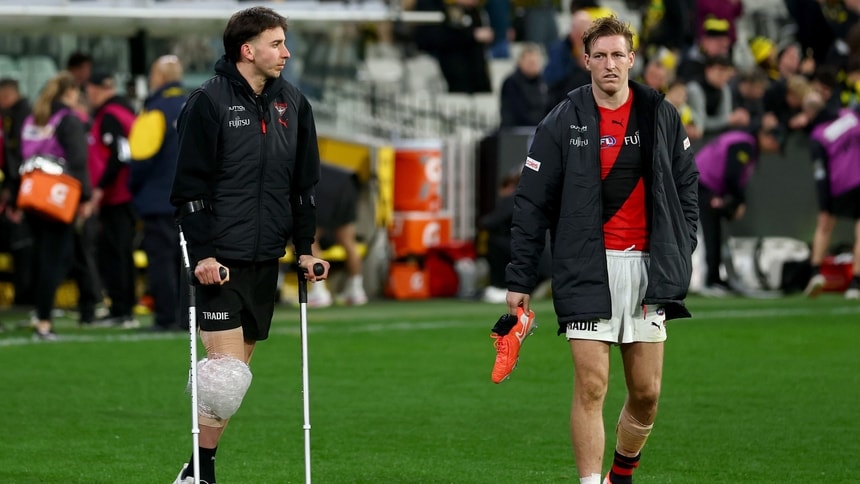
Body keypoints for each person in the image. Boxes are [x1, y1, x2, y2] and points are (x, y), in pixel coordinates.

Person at [496, 16, 698, 484]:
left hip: (648, 269)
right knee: (591, 386)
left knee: (646, 394)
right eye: (600, 56)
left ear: (632, 58)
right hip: (587, 267)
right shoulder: (563, 118)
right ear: (586, 60)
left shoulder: (659, 112)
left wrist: (681, 249)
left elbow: (686, 184)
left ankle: (621, 472)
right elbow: (531, 203)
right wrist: (519, 280)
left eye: (617, 55)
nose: (609, 64)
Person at [169, 7, 330, 484]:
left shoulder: (295, 104)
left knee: (232, 386)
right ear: (248, 50)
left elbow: (304, 187)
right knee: (224, 379)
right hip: (218, 261)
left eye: (284, 43)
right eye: (277, 43)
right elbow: (188, 190)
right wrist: (203, 256)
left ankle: (194, 468)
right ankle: (202, 473)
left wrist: (305, 248)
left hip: (266, 260)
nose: (286, 52)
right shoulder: (207, 102)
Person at [18, 71, 95, 339]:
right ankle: (44, 320)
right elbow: (78, 161)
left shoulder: (33, 118)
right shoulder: (68, 120)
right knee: (55, 259)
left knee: (43, 258)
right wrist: (85, 197)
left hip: (31, 195)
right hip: (59, 198)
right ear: (70, 92)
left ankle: (40, 312)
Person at [129, 55, 188, 331]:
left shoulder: (155, 109)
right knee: (188, 260)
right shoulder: (195, 105)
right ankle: (189, 317)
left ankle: (166, 317)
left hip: (158, 199)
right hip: (191, 200)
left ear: (160, 78)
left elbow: (141, 156)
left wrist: (135, 188)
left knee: (162, 260)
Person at [695, 128, 783, 295]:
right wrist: (739, 201)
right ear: (767, 137)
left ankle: (716, 278)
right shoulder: (745, 144)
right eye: (775, 144)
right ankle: (710, 280)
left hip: (704, 183)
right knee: (711, 232)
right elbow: (732, 174)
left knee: (716, 232)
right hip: (703, 183)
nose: (774, 150)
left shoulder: (744, 140)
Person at [86, 71, 139, 328]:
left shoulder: (109, 115)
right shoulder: (125, 111)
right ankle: (124, 308)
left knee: (114, 254)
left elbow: (119, 155)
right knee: (122, 253)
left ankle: (121, 309)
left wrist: (99, 190)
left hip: (116, 196)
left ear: (96, 89)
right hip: (126, 194)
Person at [804, 106, 860, 299]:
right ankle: (855, 283)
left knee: (825, 225)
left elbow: (821, 174)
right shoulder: (851, 116)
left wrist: (823, 205)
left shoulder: (818, 136)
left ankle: (815, 273)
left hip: (839, 184)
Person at [307, 163, 368, 307]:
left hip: (322, 187)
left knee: (309, 238)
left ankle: (319, 291)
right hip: (346, 184)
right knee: (348, 241)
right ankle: (356, 290)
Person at [0, 77, 36, 307]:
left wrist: (14, 195)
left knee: (24, 245)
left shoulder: (20, 117)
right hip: (20, 190)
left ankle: (26, 296)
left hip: (23, 191)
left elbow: (19, 159)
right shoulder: (16, 116)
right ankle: (25, 296)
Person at [499, 43, 548, 128]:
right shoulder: (511, 82)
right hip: (515, 131)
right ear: (520, 62)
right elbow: (518, 113)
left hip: (538, 129)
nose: (533, 66)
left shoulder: (543, 83)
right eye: (530, 62)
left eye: (536, 62)